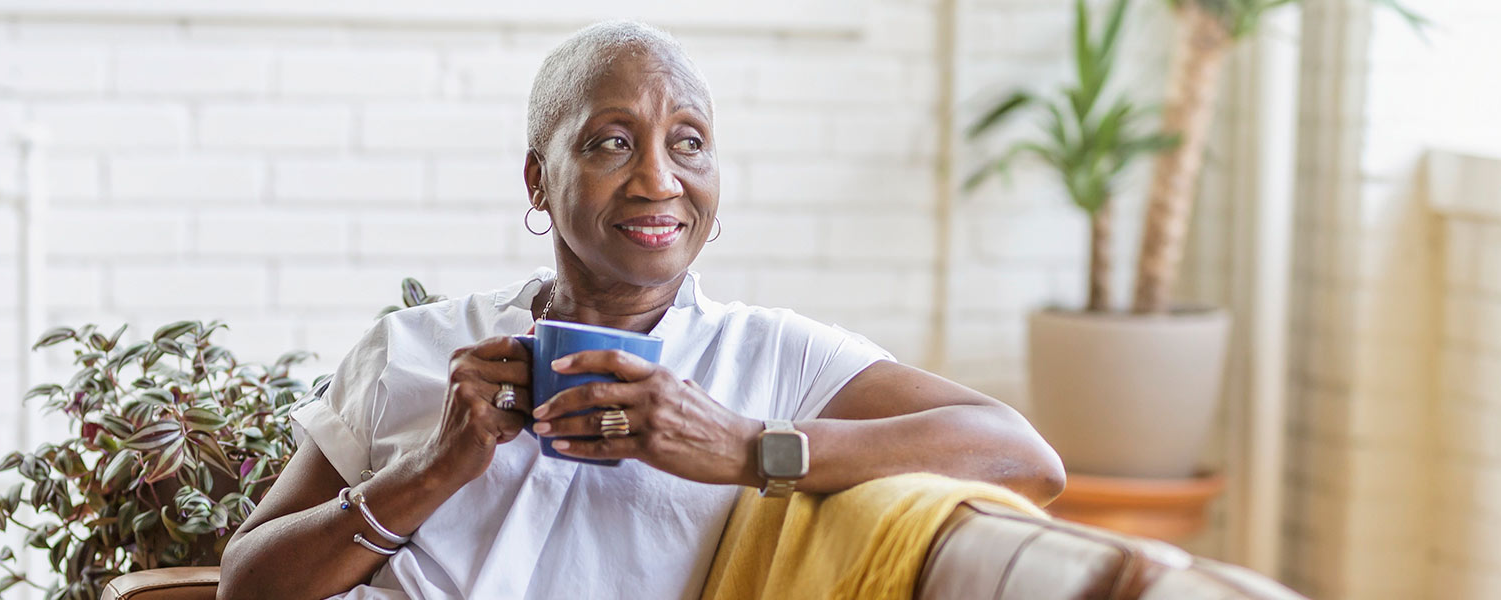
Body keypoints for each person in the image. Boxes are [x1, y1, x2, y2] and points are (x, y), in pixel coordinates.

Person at [218, 20, 1063, 600]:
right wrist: (433, 469)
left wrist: (743, 446)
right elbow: (243, 583)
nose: (659, 178)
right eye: (610, 142)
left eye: (687, 141)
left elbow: (1023, 458)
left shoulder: (772, 359)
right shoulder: (415, 347)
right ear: (538, 180)